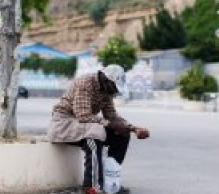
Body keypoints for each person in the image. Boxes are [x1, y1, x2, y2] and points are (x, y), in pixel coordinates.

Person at [48, 64, 150, 194]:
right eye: (114, 88)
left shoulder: (106, 90)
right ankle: (92, 187)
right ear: (106, 79)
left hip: (84, 125)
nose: (114, 92)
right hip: (64, 124)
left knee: (121, 134)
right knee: (95, 135)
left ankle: (110, 183)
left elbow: (112, 116)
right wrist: (109, 124)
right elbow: (83, 115)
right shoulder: (85, 83)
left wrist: (132, 128)